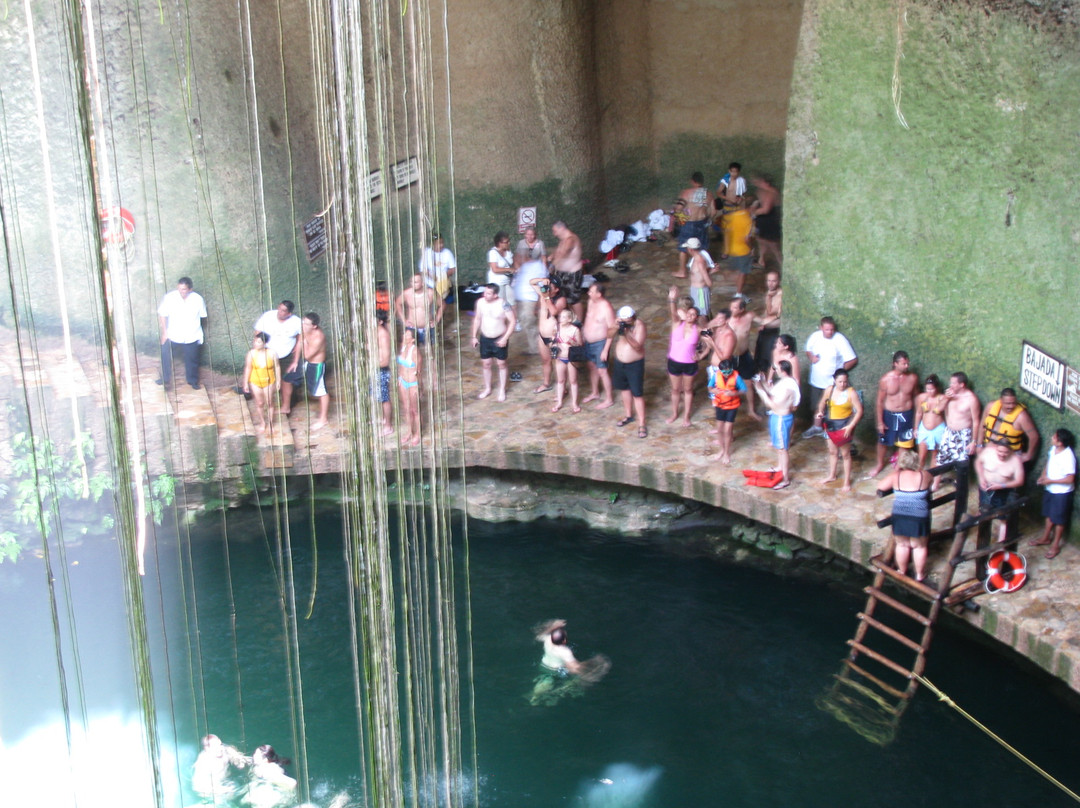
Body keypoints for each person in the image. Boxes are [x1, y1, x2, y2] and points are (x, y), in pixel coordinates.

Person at [877, 453, 933, 583]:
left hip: (900, 514)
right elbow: (932, 482)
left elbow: (881, 486)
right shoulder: (923, 475)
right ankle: (919, 575)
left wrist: (895, 471)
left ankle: (902, 571)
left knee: (902, 544)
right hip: (919, 515)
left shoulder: (896, 476)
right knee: (919, 546)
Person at [866, 351, 919, 478]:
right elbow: (879, 401)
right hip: (889, 414)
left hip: (907, 414)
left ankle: (898, 469)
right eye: (904, 363)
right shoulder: (886, 379)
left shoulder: (913, 378)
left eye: (907, 363)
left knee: (904, 442)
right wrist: (880, 422)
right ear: (895, 364)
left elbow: (917, 397)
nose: (907, 366)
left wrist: (918, 419)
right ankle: (879, 464)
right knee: (883, 441)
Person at [803, 317, 857, 436]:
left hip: (832, 383)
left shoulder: (840, 339)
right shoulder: (815, 337)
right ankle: (817, 427)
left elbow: (852, 360)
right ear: (821, 328)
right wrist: (811, 357)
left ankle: (831, 431)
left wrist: (839, 374)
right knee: (817, 405)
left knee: (833, 408)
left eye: (832, 329)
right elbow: (808, 349)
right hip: (816, 380)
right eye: (827, 329)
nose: (830, 332)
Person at [753, 359, 800, 489]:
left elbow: (772, 403)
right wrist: (761, 382)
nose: (775, 371)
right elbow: (773, 392)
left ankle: (785, 478)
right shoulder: (785, 382)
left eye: (776, 368)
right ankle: (780, 467)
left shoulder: (789, 387)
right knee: (778, 446)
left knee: (782, 449)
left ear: (783, 370)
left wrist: (760, 391)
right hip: (776, 416)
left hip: (781, 418)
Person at [1031, 428, 1076, 560]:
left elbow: (1070, 479)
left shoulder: (1068, 457)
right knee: (1049, 514)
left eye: (1054, 437)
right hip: (1050, 489)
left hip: (1061, 493)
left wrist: (1051, 480)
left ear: (1060, 442)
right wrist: (1043, 475)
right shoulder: (1054, 450)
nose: (1052, 438)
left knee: (1059, 520)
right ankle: (1045, 538)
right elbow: (1049, 462)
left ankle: (1055, 545)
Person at [816, 368, 863, 491]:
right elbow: (822, 403)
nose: (843, 384)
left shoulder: (851, 393)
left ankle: (847, 481)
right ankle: (832, 475)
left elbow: (859, 411)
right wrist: (821, 412)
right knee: (832, 452)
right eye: (840, 382)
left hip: (844, 426)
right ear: (835, 381)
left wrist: (850, 426)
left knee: (845, 454)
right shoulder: (829, 390)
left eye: (845, 382)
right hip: (830, 425)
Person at [157, 276, 207, 390]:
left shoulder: (198, 299)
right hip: (173, 334)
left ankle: (193, 381)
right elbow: (162, 314)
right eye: (179, 289)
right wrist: (164, 332)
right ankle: (165, 378)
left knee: (192, 359)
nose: (181, 292)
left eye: (184, 289)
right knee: (165, 354)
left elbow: (203, 316)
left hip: (192, 335)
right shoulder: (169, 297)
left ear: (190, 289)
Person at [254, 300, 303, 416]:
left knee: (286, 381)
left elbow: (301, 338)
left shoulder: (296, 322)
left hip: (286, 355)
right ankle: (263, 403)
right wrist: (257, 352)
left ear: (289, 313)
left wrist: (296, 358)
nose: (279, 312)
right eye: (279, 308)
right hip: (267, 354)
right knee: (265, 378)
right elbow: (257, 333)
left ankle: (286, 407)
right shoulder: (268, 316)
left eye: (283, 311)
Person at [470, 283, 516, 401]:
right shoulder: (480, 302)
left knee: (501, 364)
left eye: (488, 293)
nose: (485, 295)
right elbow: (477, 319)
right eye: (485, 292)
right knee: (486, 364)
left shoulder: (503, 304)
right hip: (485, 338)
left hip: (499, 337)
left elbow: (512, 321)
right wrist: (474, 336)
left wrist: (505, 338)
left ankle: (502, 390)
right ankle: (487, 388)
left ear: (495, 295)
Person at [975, 440, 1025, 541]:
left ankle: (1001, 542)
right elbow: (978, 463)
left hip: (1003, 491)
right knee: (984, 510)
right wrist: (981, 478)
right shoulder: (988, 451)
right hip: (986, 487)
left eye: (1005, 452)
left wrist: (1001, 485)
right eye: (999, 451)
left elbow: (1020, 481)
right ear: (996, 448)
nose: (1002, 455)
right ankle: (982, 536)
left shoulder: (1016, 460)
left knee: (1003, 517)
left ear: (1010, 451)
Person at [665, 287, 701, 426]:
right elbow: (673, 312)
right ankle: (674, 413)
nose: (690, 316)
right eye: (689, 313)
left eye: (693, 314)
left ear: (696, 317)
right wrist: (672, 300)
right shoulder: (677, 323)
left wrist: (701, 354)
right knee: (675, 389)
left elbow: (709, 340)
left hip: (689, 364)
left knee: (687, 390)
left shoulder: (697, 329)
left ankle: (686, 416)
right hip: (674, 361)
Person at [611, 305, 647, 438]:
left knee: (637, 393)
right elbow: (608, 334)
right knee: (624, 389)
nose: (625, 322)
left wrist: (626, 333)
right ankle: (628, 415)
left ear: (632, 317)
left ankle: (642, 423)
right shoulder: (619, 324)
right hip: (620, 363)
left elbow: (637, 346)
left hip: (634, 365)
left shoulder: (639, 325)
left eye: (627, 320)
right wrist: (615, 327)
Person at [581, 282, 617, 409]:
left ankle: (609, 399)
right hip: (588, 342)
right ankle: (595, 392)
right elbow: (588, 319)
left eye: (591, 291)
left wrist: (605, 350)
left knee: (602, 370)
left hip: (600, 343)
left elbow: (612, 330)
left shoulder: (606, 308)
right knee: (591, 366)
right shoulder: (591, 302)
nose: (588, 293)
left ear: (599, 294)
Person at [980, 388, 1039, 464]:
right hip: (989, 451)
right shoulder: (991, 406)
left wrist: (1028, 455)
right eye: (1007, 403)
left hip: (1009, 456)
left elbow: (1034, 436)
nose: (1011, 406)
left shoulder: (1022, 416)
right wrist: (979, 445)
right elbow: (982, 426)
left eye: (1013, 403)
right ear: (1001, 401)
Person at [728, 294, 762, 421]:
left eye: (735, 308)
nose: (732, 310)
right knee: (728, 383)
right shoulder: (726, 318)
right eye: (731, 307)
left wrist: (776, 315)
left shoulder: (749, 316)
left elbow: (763, 321)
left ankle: (751, 410)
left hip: (743, 355)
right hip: (729, 356)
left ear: (742, 309)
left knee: (748, 382)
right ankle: (728, 410)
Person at [938, 371, 981, 468]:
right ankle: (935, 483)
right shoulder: (949, 394)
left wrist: (974, 441)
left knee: (961, 464)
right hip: (948, 432)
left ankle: (960, 482)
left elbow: (976, 421)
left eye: (953, 383)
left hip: (963, 434)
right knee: (941, 459)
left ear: (962, 385)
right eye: (950, 382)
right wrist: (946, 397)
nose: (950, 385)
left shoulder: (971, 399)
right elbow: (939, 409)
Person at [707, 358, 746, 466]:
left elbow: (743, 390)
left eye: (729, 371)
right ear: (720, 370)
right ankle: (722, 450)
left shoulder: (736, 376)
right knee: (720, 429)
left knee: (728, 430)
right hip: (720, 405)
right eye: (725, 372)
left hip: (732, 406)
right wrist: (713, 390)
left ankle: (726, 453)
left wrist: (734, 393)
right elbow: (710, 387)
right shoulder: (716, 375)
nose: (727, 374)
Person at [674, 172, 713, 278]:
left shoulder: (686, 193)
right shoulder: (709, 194)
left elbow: (678, 208)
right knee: (702, 247)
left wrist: (680, 220)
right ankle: (703, 269)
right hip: (702, 222)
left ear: (693, 181)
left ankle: (682, 271)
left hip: (689, 223)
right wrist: (707, 220)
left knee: (684, 248)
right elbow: (713, 211)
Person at [192, 733, 249, 804]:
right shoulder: (203, 763)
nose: (219, 749)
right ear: (207, 749)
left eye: (220, 744)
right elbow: (198, 787)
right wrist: (221, 790)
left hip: (229, 782)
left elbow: (240, 760)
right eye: (215, 747)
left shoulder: (225, 749)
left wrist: (240, 762)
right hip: (215, 790)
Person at [530, 275, 564, 393]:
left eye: (550, 287)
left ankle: (563, 387)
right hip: (542, 336)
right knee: (546, 361)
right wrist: (541, 281)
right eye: (547, 286)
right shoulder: (543, 294)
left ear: (557, 289)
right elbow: (531, 282)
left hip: (554, 337)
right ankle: (546, 383)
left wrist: (547, 297)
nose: (547, 288)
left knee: (559, 363)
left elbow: (554, 311)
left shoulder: (561, 300)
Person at [241, 333, 280, 434]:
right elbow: (248, 368)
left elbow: (277, 367)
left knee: (270, 402)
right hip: (255, 381)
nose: (256, 344)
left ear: (264, 343)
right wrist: (245, 383)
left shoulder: (272, 353)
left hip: (269, 381)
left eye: (259, 342)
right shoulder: (251, 354)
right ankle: (262, 422)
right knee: (259, 403)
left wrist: (278, 380)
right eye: (255, 341)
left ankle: (271, 423)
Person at [547, 221, 585, 320]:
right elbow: (558, 251)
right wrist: (551, 256)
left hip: (572, 274)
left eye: (555, 231)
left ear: (562, 228)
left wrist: (551, 266)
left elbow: (563, 254)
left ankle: (579, 322)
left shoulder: (571, 239)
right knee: (564, 298)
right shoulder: (563, 240)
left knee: (574, 299)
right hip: (561, 274)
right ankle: (569, 318)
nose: (554, 234)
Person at [396, 272, 445, 346]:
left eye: (415, 282)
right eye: (411, 282)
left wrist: (437, 319)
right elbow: (397, 304)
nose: (413, 284)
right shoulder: (406, 293)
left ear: (422, 283)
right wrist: (403, 320)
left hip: (428, 327)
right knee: (410, 350)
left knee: (432, 350)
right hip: (411, 327)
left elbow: (442, 305)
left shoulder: (431, 293)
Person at [300, 313, 330, 430]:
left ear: (314, 326)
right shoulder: (306, 331)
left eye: (306, 324)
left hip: (317, 366)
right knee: (315, 390)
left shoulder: (318, 337)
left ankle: (324, 419)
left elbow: (307, 355)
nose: (303, 325)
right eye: (303, 322)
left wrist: (304, 342)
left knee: (321, 391)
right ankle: (322, 415)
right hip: (309, 364)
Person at [914, 375, 947, 480]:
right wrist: (916, 428)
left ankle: (933, 478)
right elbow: (919, 413)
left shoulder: (942, 398)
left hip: (938, 429)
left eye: (932, 389)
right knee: (922, 455)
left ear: (936, 388)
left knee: (935, 455)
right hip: (924, 429)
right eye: (927, 389)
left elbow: (946, 415)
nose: (930, 391)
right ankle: (917, 478)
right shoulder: (921, 397)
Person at [513, 258, 549, 354]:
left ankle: (537, 348)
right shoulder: (524, 265)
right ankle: (534, 347)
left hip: (530, 299)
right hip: (522, 299)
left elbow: (542, 286)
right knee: (526, 323)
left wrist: (538, 303)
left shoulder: (539, 265)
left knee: (530, 324)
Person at [550, 309, 583, 414]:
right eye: (560, 317)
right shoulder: (557, 328)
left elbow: (580, 344)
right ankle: (559, 402)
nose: (561, 319)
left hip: (571, 357)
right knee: (560, 380)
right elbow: (552, 340)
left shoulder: (575, 330)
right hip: (560, 357)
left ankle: (574, 403)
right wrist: (554, 345)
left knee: (573, 381)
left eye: (564, 317)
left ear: (569, 319)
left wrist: (572, 342)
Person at [750, 173, 782, 269]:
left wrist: (753, 213)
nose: (757, 184)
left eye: (758, 182)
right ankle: (761, 260)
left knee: (773, 246)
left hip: (770, 221)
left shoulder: (772, 192)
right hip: (763, 221)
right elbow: (757, 201)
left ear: (765, 182)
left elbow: (765, 209)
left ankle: (782, 265)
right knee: (761, 240)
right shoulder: (761, 191)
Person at [753, 270, 782, 373]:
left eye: (773, 281)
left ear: (778, 281)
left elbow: (774, 314)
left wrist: (763, 321)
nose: (770, 283)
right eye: (768, 281)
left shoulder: (780, 296)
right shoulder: (769, 293)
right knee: (759, 357)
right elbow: (767, 311)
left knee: (769, 359)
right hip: (766, 329)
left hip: (775, 331)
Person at [722, 201, 754, 295]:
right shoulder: (748, 219)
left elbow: (726, 231)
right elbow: (747, 238)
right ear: (751, 207)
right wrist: (751, 248)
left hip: (732, 249)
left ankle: (733, 284)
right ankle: (738, 293)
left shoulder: (732, 216)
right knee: (743, 272)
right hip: (743, 250)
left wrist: (726, 250)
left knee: (735, 270)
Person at [397, 326, 421, 445]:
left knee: (414, 410)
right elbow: (401, 365)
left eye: (407, 335)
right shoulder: (403, 347)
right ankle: (409, 432)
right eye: (404, 334)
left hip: (413, 383)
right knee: (406, 409)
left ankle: (417, 433)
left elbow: (419, 371)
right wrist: (399, 377)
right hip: (403, 381)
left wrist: (418, 387)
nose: (404, 336)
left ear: (412, 339)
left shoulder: (415, 351)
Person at [417, 233, 456, 302]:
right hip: (428, 284)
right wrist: (432, 276)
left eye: (442, 242)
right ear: (433, 244)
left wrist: (442, 276)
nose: (441, 245)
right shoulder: (426, 253)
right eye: (439, 243)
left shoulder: (447, 253)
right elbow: (422, 270)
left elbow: (453, 269)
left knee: (443, 303)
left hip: (443, 284)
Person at [680, 237, 713, 317]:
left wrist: (706, 291)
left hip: (700, 291)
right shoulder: (695, 258)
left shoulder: (699, 262)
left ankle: (706, 328)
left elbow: (709, 282)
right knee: (696, 312)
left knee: (702, 314)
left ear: (691, 249)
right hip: (695, 290)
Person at [375, 312, 394, 436]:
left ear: (380, 321)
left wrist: (371, 364)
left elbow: (385, 360)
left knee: (384, 398)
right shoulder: (373, 331)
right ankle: (383, 419)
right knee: (378, 397)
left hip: (381, 370)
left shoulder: (383, 335)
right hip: (374, 369)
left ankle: (388, 426)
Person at [486, 231, 515, 307]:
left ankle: (514, 319)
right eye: (506, 242)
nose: (509, 243)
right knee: (501, 304)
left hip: (508, 281)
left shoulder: (508, 251)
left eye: (509, 241)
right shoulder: (493, 253)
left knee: (512, 302)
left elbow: (512, 262)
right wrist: (508, 270)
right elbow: (495, 269)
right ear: (499, 243)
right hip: (497, 282)